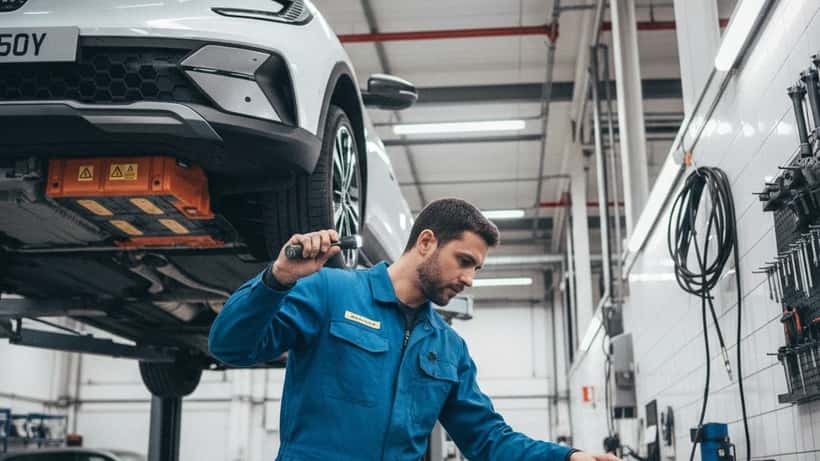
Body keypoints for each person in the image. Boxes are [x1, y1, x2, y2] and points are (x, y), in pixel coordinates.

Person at [209, 198, 620, 461]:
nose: (469, 279)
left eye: (476, 269)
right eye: (464, 261)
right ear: (426, 242)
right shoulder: (331, 292)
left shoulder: (448, 348)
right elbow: (230, 346)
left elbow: (488, 439)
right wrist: (278, 278)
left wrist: (567, 458)